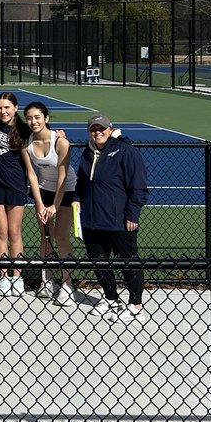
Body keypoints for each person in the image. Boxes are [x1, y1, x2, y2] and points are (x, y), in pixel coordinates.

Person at [74, 113, 148, 322]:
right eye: (93, 129)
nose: (98, 132)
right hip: (91, 220)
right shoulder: (87, 152)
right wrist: (77, 199)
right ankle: (111, 298)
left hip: (119, 220)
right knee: (99, 262)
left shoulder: (125, 151)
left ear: (110, 129)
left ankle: (136, 306)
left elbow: (138, 186)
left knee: (128, 262)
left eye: (102, 128)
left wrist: (132, 214)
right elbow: (82, 182)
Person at [22, 102, 77, 306]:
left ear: (46, 118)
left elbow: (62, 176)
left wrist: (54, 205)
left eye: (37, 117)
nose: (33, 121)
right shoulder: (26, 144)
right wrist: (39, 204)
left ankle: (67, 285)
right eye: (29, 118)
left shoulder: (61, 143)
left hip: (66, 190)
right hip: (44, 190)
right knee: (46, 237)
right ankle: (47, 281)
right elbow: (32, 175)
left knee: (61, 236)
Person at [0, 92, 32, 295]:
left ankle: (17, 277)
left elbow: (44, 135)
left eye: (7, 107)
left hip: (16, 184)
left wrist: (60, 135)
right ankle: (3, 277)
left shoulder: (23, 129)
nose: (2, 111)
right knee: (1, 231)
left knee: (14, 232)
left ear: (15, 108)